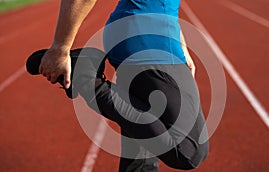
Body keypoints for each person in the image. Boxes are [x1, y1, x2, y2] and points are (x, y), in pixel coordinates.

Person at [37, 0, 209, 171]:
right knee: (189, 150)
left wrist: (178, 39)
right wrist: (60, 49)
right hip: (151, 40)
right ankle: (85, 77)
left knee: (141, 159)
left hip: (143, 35)